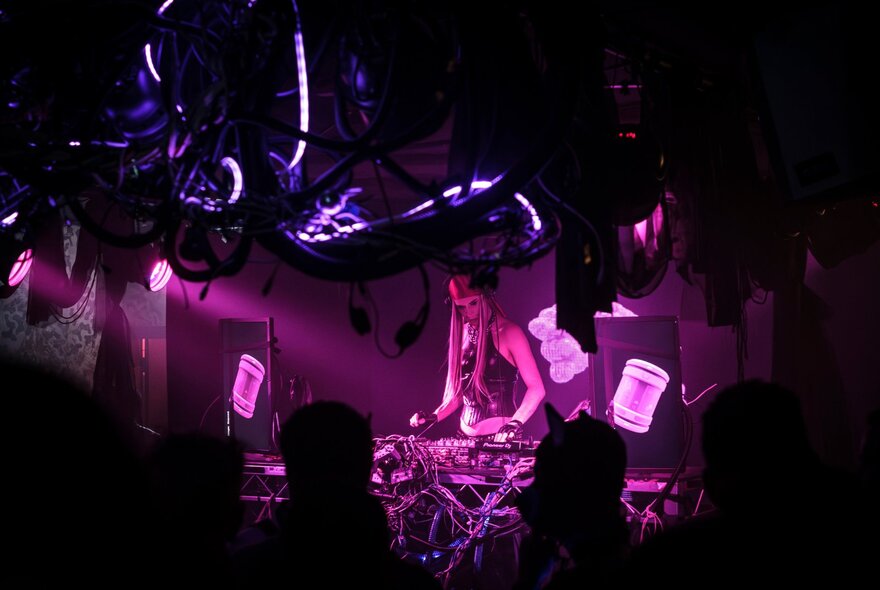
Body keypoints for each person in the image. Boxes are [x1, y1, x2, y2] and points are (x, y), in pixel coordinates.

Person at [410, 274, 546, 442]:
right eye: (461, 307)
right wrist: (434, 416)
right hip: (464, 437)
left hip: (501, 437)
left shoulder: (510, 333)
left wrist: (515, 423)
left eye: (473, 303)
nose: (468, 312)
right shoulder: (463, 334)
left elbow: (537, 388)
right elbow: (462, 393)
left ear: (486, 297)